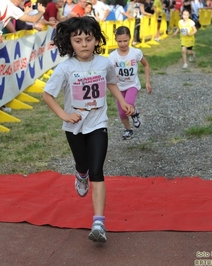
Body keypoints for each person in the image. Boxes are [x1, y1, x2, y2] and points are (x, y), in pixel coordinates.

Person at [42, 16, 135, 243]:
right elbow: (47, 95)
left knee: (97, 170)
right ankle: (80, 174)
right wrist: (65, 115)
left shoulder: (104, 64)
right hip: (74, 126)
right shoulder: (65, 68)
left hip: (98, 123)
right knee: (82, 165)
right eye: (77, 40)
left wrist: (122, 101)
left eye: (88, 39)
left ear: (96, 40)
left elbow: (111, 82)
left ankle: (98, 223)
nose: (83, 44)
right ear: (69, 42)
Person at [109, 26, 152, 140]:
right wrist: (114, 75)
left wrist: (147, 81)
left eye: (125, 41)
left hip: (132, 85)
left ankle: (134, 112)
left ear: (130, 39)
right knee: (122, 113)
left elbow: (146, 65)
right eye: (119, 41)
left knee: (128, 103)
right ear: (115, 40)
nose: (123, 44)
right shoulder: (113, 56)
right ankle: (128, 129)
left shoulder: (136, 53)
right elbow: (110, 71)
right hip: (119, 87)